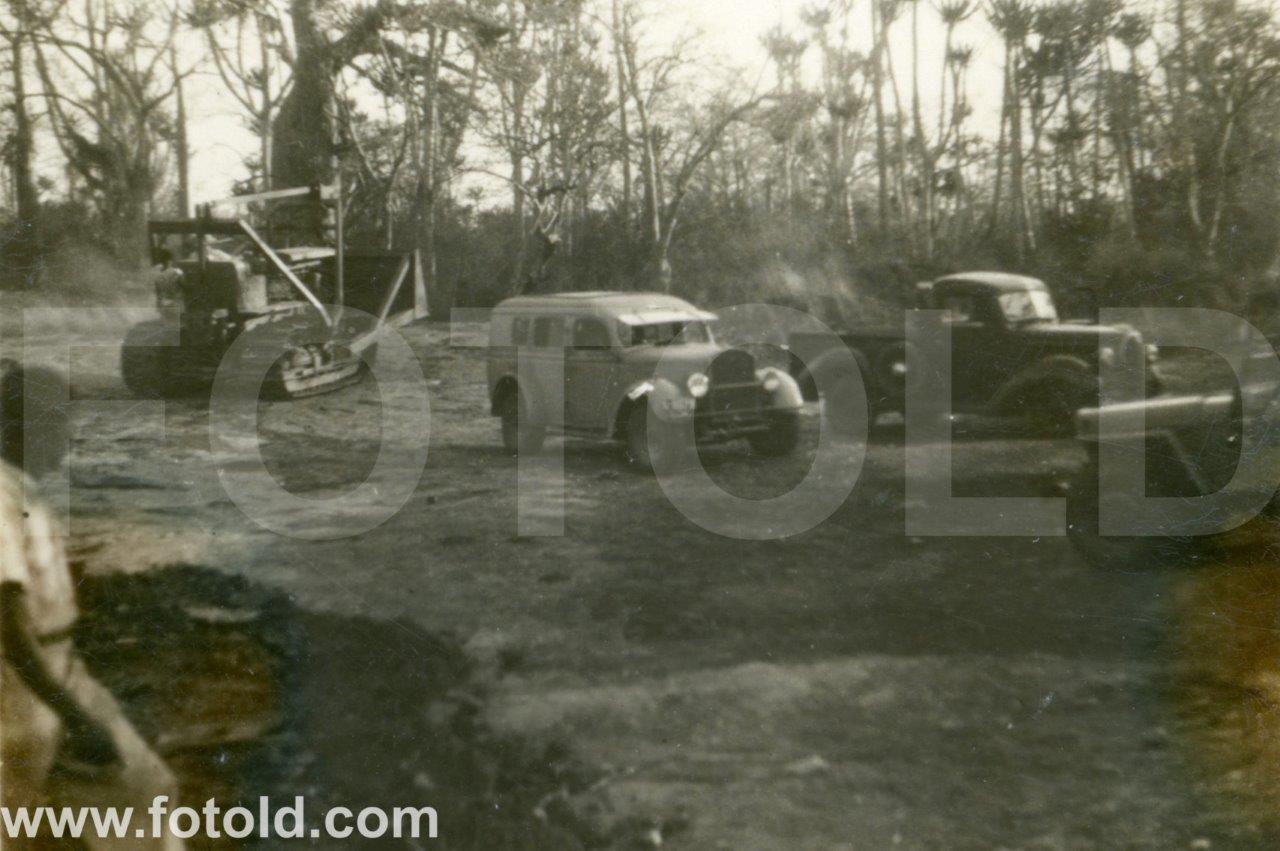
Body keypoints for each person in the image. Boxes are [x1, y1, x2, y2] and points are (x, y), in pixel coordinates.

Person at [0, 361, 184, 849]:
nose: (67, 439)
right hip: (18, 685)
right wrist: (75, 715)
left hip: (54, 668)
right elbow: (10, 626)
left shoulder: (21, 490)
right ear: (25, 427)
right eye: (59, 424)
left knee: (144, 792)